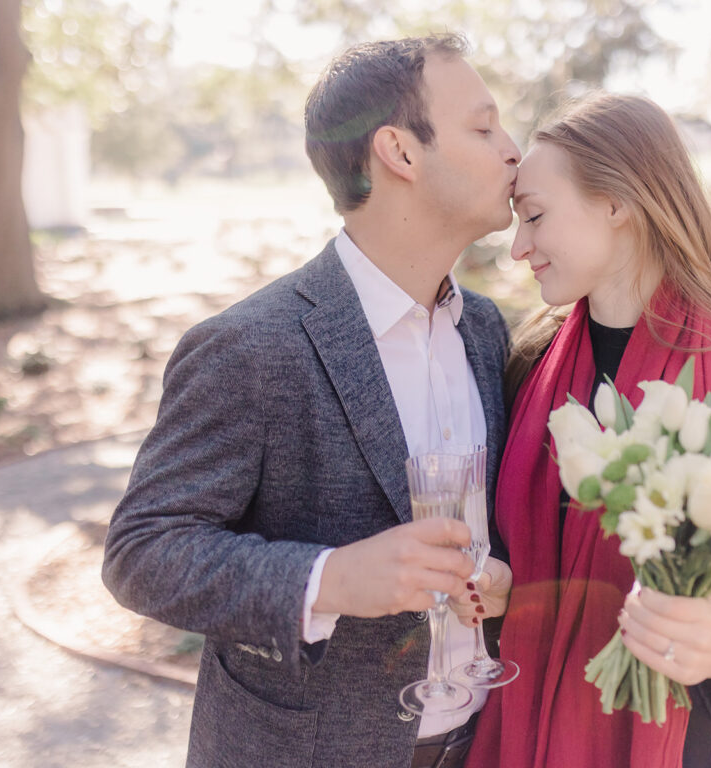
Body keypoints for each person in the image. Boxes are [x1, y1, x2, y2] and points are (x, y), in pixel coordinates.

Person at [102, 33, 521, 768]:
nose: (512, 149)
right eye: (484, 128)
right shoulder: (251, 347)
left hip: (477, 745)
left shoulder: (483, 328)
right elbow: (143, 552)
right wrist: (331, 579)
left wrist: (497, 577)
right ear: (401, 152)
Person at [466, 93, 711, 768]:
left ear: (616, 203)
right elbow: (528, 570)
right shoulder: (525, 372)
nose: (519, 247)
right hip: (529, 735)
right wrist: (502, 594)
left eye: (533, 216)